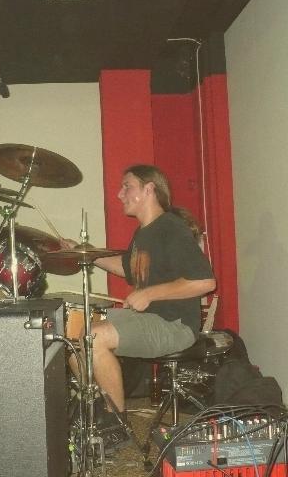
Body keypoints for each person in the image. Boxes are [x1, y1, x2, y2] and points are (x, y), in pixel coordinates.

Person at [64, 164, 216, 445]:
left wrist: (150, 293)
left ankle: (115, 425)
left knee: (94, 337)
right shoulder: (143, 234)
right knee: (73, 337)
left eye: (127, 186)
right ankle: (97, 406)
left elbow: (205, 282)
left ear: (149, 189)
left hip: (174, 325)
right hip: (149, 320)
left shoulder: (171, 228)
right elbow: (126, 267)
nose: (119, 194)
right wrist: (84, 254)